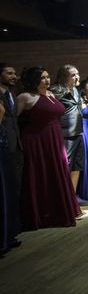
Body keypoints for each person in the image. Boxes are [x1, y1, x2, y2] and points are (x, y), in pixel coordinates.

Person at [16, 67, 81, 230]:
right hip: (36, 141)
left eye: (47, 77)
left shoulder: (51, 94)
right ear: (33, 80)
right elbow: (13, 121)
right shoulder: (25, 97)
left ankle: (58, 211)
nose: (47, 80)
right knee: (39, 175)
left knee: (57, 173)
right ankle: (40, 215)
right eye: (42, 78)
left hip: (55, 139)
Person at [51, 64, 87, 205]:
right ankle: (62, 199)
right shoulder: (56, 90)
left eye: (77, 73)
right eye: (73, 75)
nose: (77, 76)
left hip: (78, 132)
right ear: (64, 76)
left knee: (77, 166)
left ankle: (72, 197)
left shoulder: (76, 90)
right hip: (65, 134)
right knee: (65, 166)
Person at [0, 64, 21, 252]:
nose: (14, 76)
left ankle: (10, 232)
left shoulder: (10, 94)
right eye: (9, 73)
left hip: (13, 145)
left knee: (12, 188)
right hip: (2, 144)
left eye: (15, 73)